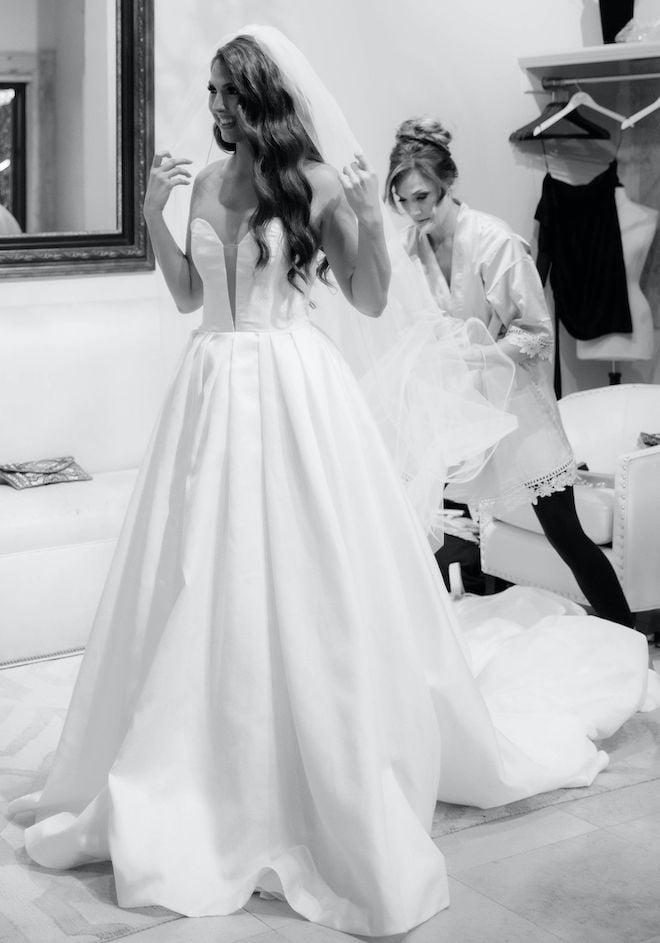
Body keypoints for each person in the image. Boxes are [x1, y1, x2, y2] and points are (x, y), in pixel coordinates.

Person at [9, 28, 655, 938]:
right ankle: (196, 754)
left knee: (307, 572)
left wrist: (361, 211)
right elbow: (192, 298)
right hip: (207, 392)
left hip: (290, 390)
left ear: (263, 95)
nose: (217, 108)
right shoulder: (201, 182)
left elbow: (368, 297)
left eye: (231, 94)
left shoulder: (310, 185)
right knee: (196, 572)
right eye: (214, 95)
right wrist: (156, 212)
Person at [386, 116, 636, 629]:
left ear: (446, 183)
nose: (415, 212)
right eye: (403, 201)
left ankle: (626, 634)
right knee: (412, 514)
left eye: (423, 197)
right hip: (458, 408)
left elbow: (536, 333)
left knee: (565, 531)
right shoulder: (410, 249)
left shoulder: (494, 241)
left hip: (517, 409)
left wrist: (476, 356)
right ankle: (425, 640)